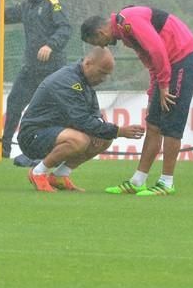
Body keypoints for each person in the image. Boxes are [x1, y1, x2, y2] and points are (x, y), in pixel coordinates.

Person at [80, 5, 193, 196]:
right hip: (169, 66)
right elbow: (150, 59)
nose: (102, 46)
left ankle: (166, 183)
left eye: (97, 41)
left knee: (171, 125)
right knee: (153, 124)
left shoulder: (129, 21)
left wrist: (163, 85)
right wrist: (154, 89)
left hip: (184, 61)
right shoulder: (124, 32)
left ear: (100, 31)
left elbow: (157, 48)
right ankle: (138, 181)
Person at [18, 47, 146, 192]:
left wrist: (106, 131)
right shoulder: (68, 81)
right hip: (32, 136)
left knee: (105, 139)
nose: (103, 79)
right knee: (80, 140)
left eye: (107, 75)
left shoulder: (84, 81)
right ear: (88, 63)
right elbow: (82, 120)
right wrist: (118, 131)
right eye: (101, 73)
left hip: (55, 133)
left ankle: (60, 175)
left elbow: (95, 115)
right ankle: (37, 173)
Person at [0, 0, 72, 160]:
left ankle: (57, 148)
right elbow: (5, 16)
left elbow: (65, 28)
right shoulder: (27, 6)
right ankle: (3, 148)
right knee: (14, 103)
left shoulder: (51, 2)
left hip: (51, 70)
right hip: (30, 67)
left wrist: (50, 45)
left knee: (51, 110)